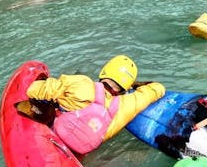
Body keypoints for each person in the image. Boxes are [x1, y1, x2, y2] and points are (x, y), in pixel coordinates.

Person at [24, 55, 165, 154]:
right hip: (79, 151)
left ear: (104, 71)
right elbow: (158, 88)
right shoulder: (126, 105)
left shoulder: (81, 83)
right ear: (125, 87)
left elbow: (32, 90)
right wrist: (136, 84)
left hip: (53, 135)